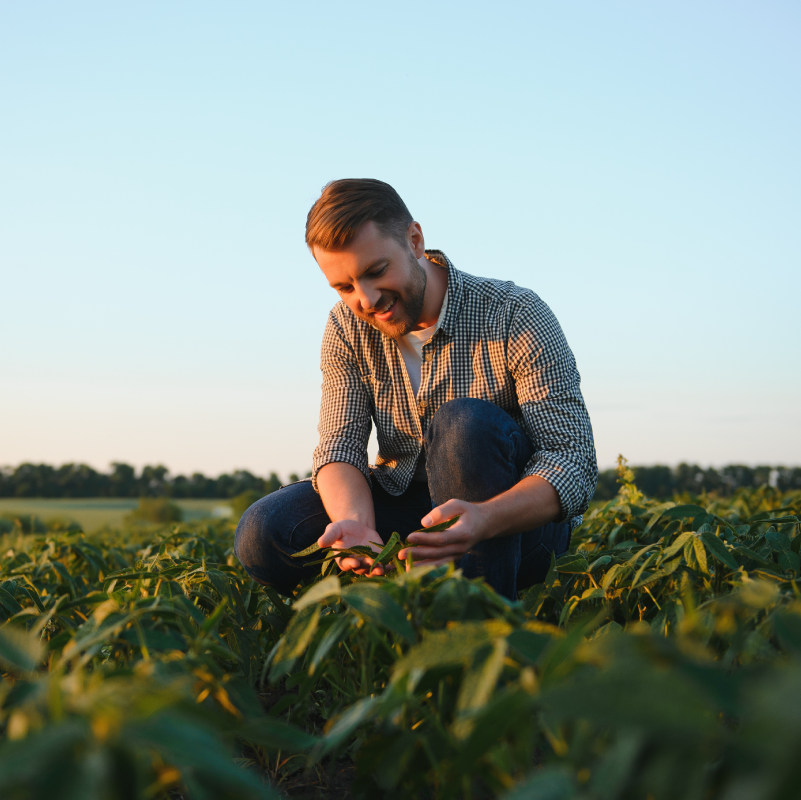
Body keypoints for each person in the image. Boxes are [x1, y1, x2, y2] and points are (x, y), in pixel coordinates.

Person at [235, 179, 597, 600]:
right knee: (263, 532)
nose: (366, 299)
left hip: (513, 524)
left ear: (415, 240)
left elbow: (571, 459)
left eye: (376, 272)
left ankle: (477, 628)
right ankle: (383, 595)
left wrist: (484, 519)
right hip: (406, 503)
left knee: (465, 424)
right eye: (345, 287)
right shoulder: (345, 327)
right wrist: (358, 525)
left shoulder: (514, 313)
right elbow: (339, 447)